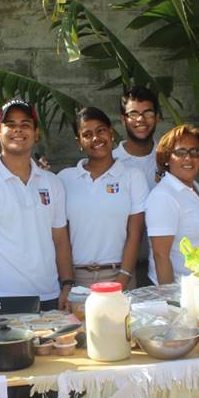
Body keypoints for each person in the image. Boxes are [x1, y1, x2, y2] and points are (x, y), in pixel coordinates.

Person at [0, 99, 74, 310]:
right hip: (0, 299)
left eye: (25, 124)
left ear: (36, 133)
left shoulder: (53, 183)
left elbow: (60, 240)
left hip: (50, 297)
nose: (18, 130)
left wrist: (67, 284)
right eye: (10, 124)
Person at [57, 107, 147, 288]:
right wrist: (68, 283)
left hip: (120, 275)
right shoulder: (64, 179)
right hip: (76, 279)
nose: (96, 138)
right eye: (87, 134)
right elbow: (61, 237)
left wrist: (123, 278)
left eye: (101, 131)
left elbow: (135, 233)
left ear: (111, 133)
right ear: (79, 142)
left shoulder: (132, 176)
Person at [145, 124, 199, 285]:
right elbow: (160, 256)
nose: (188, 158)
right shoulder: (164, 196)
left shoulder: (196, 190)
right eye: (180, 152)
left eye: (195, 152)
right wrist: (170, 297)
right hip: (180, 291)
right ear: (166, 158)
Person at [114, 86, 162, 285]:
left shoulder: (169, 158)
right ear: (123, 119)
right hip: (123, 266)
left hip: (163, 263)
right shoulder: (111, 163)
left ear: (157, 117)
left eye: (147, 113)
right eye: (133, 114)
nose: (140, 120)